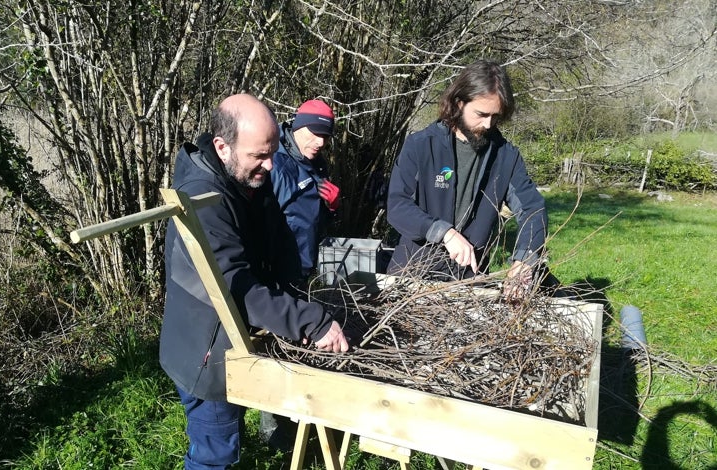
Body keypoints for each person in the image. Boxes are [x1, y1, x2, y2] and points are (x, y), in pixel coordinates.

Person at [161, 93, 349, 470]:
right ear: (222, 146)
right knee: (215, 453)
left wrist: (295, 294)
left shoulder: (245, 176)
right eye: (258, 156)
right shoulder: (201, 199)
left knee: (226, 438)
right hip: (206, 349)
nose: (269, 165)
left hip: (230, 338)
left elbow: (276, 241)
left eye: (273, 152)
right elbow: (235, 286)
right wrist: (310, 320)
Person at [386, 60, 552, 299]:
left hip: (469, 281)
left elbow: (532, 209)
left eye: (496, 117)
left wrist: (524, 261)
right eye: (481, 114)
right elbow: (398, 206)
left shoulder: (505, 156)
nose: (488, 124)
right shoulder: (421, 146)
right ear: (459, 103)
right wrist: (444, 232)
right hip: (412, 278)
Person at [270, 99, 340, 280]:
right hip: (278, 272)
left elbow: (312, 220)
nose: (320, 142)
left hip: (304, 267)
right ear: (298, 126)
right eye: (315, 132)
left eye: (325, 136)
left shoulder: (317, 163)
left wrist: (331, 208)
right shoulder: (274, 164)